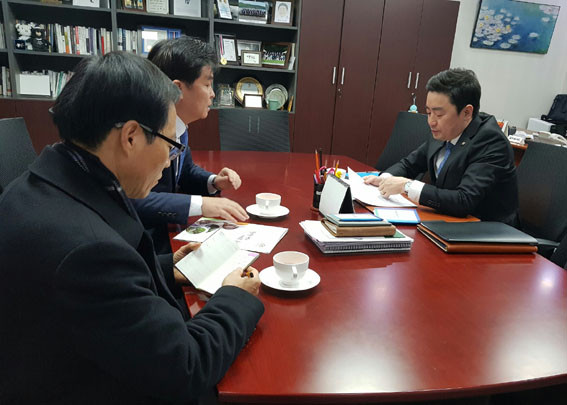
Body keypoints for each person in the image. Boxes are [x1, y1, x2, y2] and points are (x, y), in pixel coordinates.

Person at [0, 52, 263, 404]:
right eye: (170, 144)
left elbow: (100, 296)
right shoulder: (88, 254)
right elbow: (186, 367)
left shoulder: (45, 181)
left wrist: (166, 268)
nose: (170, 160)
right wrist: (235, 296)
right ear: (131, 137)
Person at [131, 37, 248, 254]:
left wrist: (214, 182)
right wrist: (200, 205)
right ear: (177, 89)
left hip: (169, 234)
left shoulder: (180, 125)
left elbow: (185, 172)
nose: (213, 94)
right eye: (207, 84)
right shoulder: (144, 134)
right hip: (144, 245)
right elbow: (134, 200)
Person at [364, 68, 518, 224]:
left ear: (466, 113)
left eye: (439, 114)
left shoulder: (490, 141)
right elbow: (410, 164)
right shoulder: (445, 131)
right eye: (428, 112)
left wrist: (406, 186)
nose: (431, 121)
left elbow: (464, 200)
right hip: (447, 220)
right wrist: (384, 179)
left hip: (486, 230)